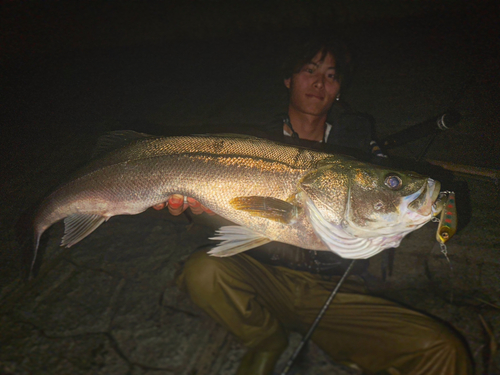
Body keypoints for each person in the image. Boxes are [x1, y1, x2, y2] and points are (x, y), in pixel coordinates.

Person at [155, 35, 473, 374]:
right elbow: (223, 217)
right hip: (264, 275)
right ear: (289, 79)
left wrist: (449, 209)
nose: (320, 82)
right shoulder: (253, 143)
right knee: (202, 270)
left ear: (339, 90)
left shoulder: (360, 151)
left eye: (332, 76)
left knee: (444, 349)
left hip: (334, 290)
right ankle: (264, 339)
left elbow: (425, 209)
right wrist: (191, 209)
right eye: (310, 70)